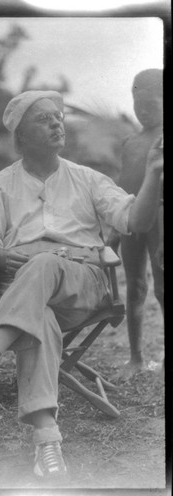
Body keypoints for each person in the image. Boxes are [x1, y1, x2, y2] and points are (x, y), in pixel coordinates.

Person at [0, 90, 163, 482]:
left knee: (44, 262)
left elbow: (137, 222)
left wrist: (154, 175)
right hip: (26, 297)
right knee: (37, 318)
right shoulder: (0, 185)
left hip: (85, 285)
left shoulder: (87, 178)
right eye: (44, 119)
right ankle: (47, 443)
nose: (57, 123)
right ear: (21, 136)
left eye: (58, 116)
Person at [108, 69, 164, 378]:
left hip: (160, 222)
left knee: (163, 289)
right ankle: (136, 357)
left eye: (151, 103)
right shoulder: (130, 142)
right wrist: (116, 228)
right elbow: (123, 188)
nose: (143, 109)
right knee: (135, 288)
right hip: (131, 221)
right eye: (137, 103)